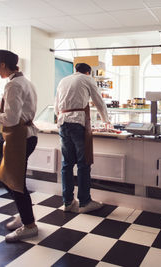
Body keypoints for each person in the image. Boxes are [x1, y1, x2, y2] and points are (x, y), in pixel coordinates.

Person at [0, 50, 39, 242]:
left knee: (15, 183)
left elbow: (11, 118)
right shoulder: (25, 82)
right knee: (9, 179)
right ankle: (24, 216)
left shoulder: (13, 85)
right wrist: (2, 104)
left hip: (19, 137)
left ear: (3, 64)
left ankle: (29, 225)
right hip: (28, 136)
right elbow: (20, 109)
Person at [54, 63, 110, 213]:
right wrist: (106, 121)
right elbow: (99, 101)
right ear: (88, 72)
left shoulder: (63, 80)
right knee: (83, 164)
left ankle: (68, 202)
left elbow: (56, 106)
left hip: (63, 122)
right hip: (78, 123)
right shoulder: (87, 79)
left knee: (66, 164)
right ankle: (85, 202)